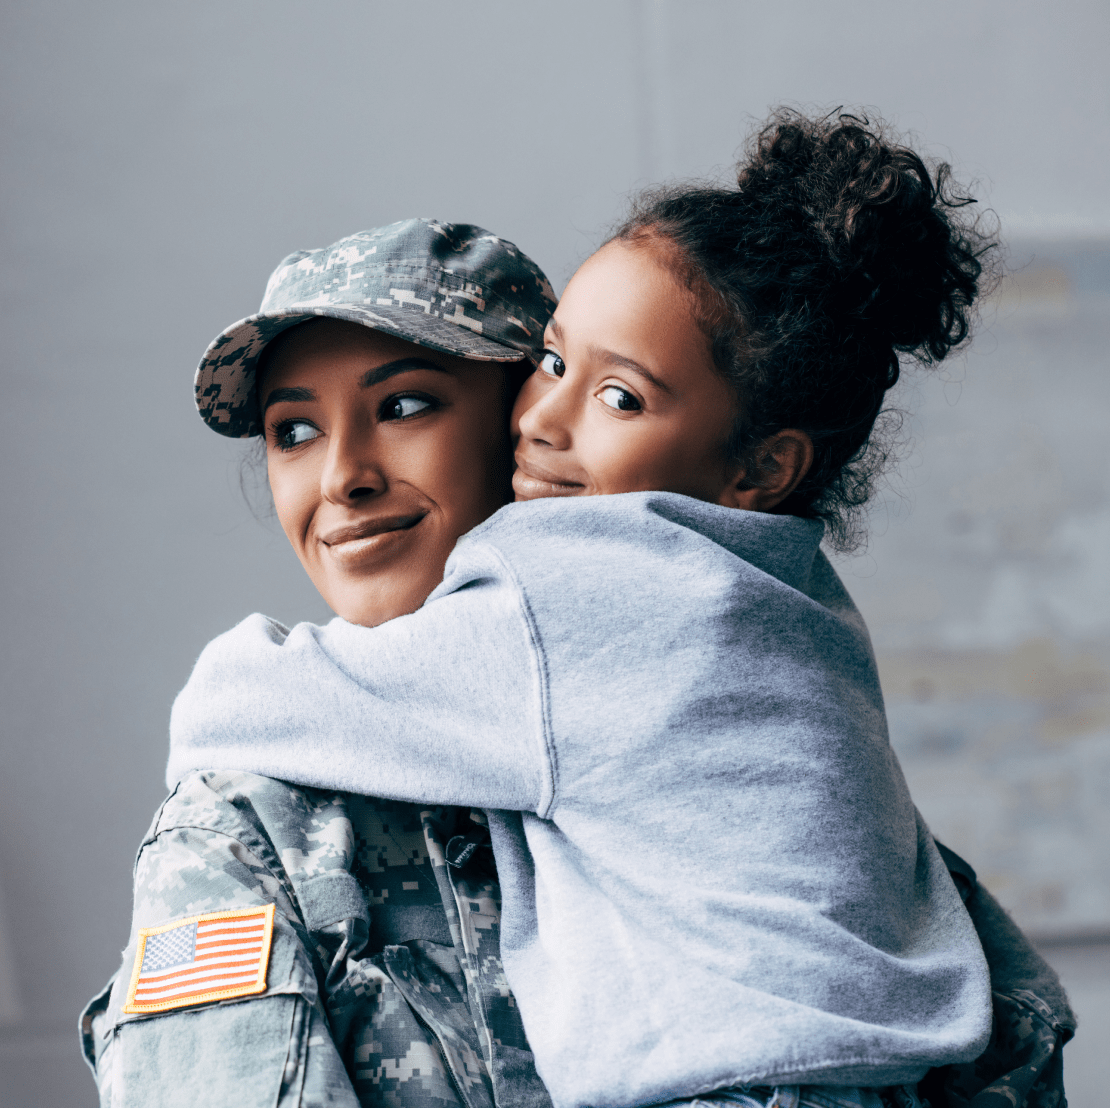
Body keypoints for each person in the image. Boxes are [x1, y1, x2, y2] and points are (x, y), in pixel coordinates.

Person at [167, 113, 1074, 1108]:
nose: (544, 421)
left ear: (764, 467)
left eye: (410, 406)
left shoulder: (571, 603)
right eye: (292, 431)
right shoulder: (790, 606)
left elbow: (244, 698)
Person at [81, 217, 560, 1108]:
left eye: (405, 407)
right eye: (294, 431)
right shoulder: (241, 829)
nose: (343, 477)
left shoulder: (675, 735)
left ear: (533, 426)